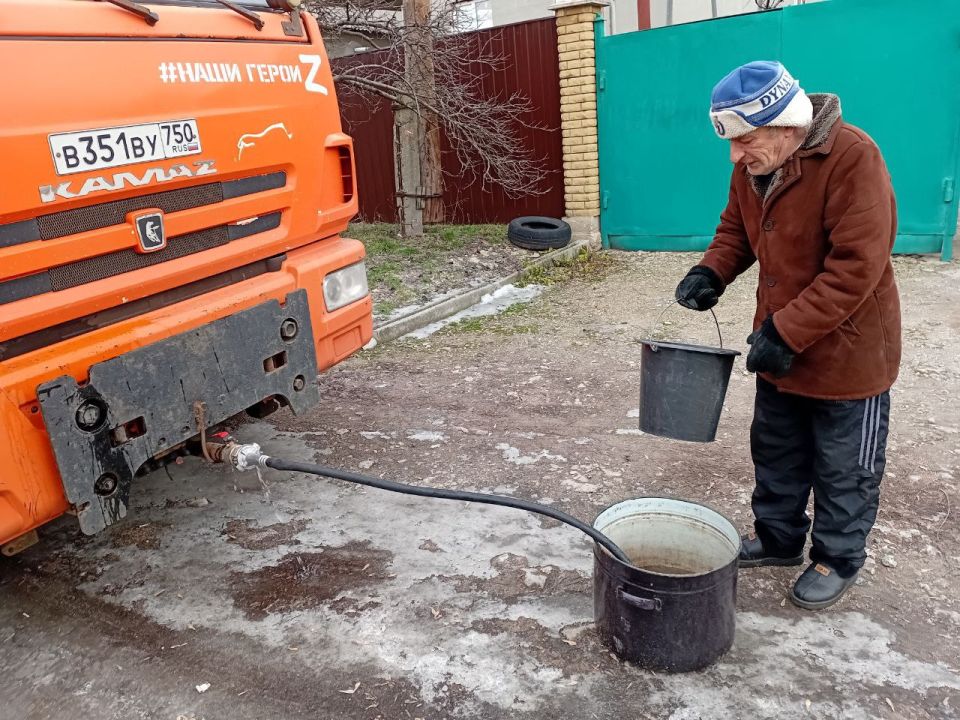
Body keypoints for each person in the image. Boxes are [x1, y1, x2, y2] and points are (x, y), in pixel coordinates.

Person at [675, 61, 901, 610]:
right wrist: (712, 271)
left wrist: (787, 329)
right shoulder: (756, 165)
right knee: (776, 451)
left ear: (783, 125)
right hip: (779, 347)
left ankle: (837, 557)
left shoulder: (852, 157)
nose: (736, 155)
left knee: (845, 466)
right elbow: (736, 229)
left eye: (745, 140)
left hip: (847, 354)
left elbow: (857, 266)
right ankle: (778, 540)